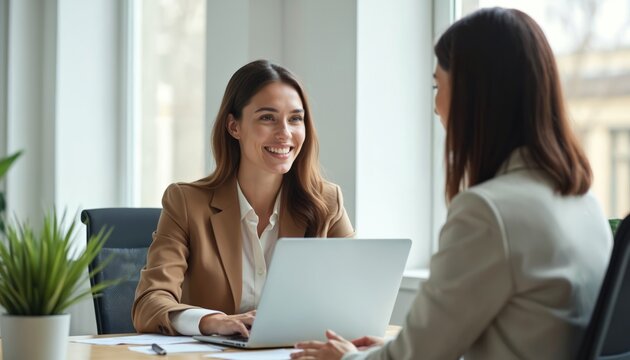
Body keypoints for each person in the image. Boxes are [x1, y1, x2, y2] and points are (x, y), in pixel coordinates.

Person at [292, 7, 613, 360]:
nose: (435, 107)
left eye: (437, 86)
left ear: (473, 96)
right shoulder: (583, 203)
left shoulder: (488, 212)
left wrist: (347, 359)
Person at [132, 60, 355, 337]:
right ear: (234, 126)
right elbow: (149, 303)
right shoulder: (187, 203)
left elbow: (354, 297)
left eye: (295, 118)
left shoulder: (326, 202)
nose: (285, 132)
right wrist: (211, 321)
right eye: (267, 117)